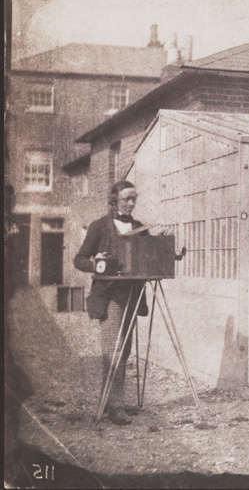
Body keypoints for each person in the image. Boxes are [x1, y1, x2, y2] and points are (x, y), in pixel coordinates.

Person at [74, 180, 149, 425]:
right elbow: (79, 259)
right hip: (108, 296)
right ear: (114, 200)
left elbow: (150, 256)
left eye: (134, 198)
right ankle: (115, 406)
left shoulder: (140, 227)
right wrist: (96, 264)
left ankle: (112, 400)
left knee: (124, 351)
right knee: (112, 350)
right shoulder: (99, 227)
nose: (131, 203)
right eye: (126, 198)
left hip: (132, 295)